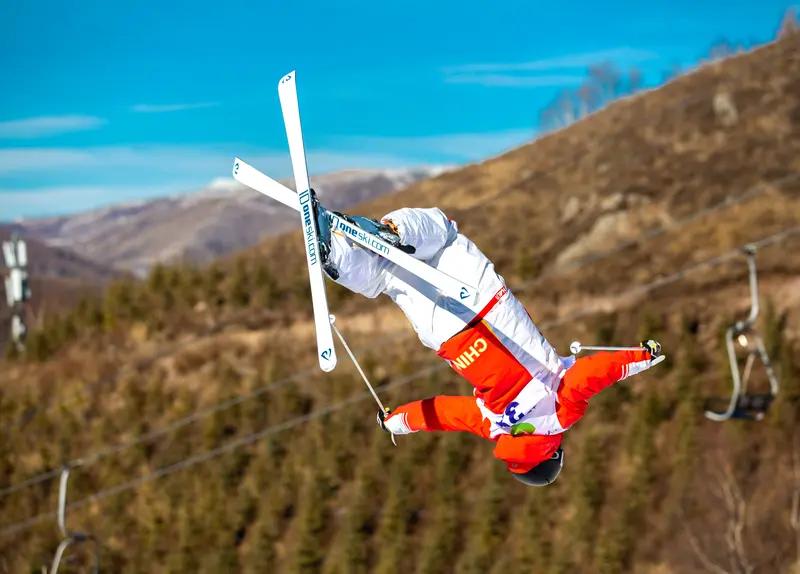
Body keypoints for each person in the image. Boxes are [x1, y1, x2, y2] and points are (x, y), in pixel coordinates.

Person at [315, 202, 664, 486]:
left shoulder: (559, 416)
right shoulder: (495, 427)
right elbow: (445, 414)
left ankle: (393, 233)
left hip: (485, 304)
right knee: (387, 278)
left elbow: (590, 375)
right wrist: (397, 422)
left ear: (554, 453)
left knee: (443, 234)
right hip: (446, 335)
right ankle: (338, 256)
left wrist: (642, 357)